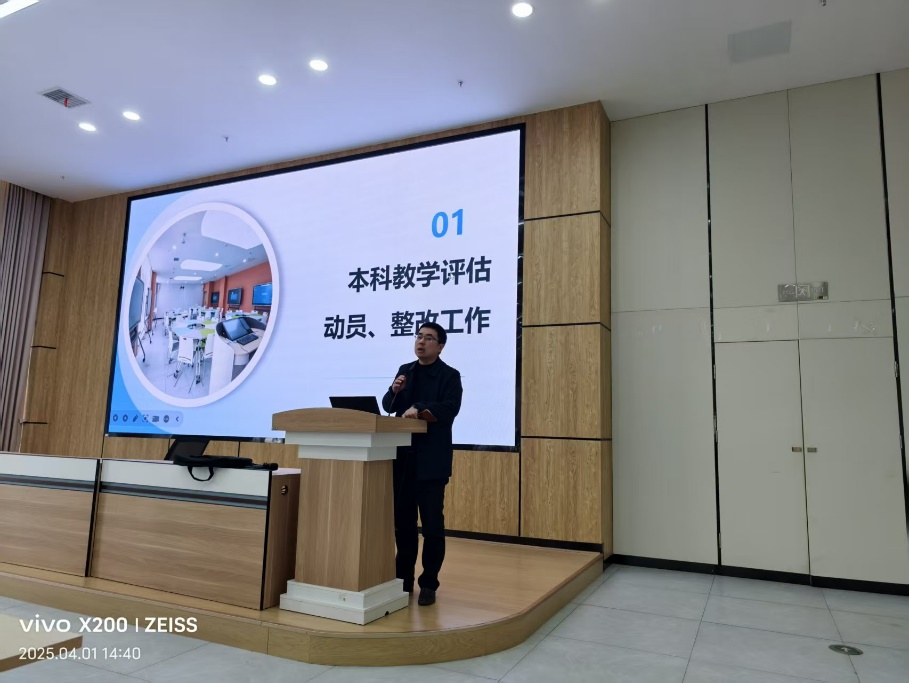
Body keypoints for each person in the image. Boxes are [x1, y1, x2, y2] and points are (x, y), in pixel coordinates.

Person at [381, 321, 462, 607]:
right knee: (403, 526)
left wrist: (420, 409)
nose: (421, 341)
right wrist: (393, 390)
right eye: (419, 336)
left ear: (440, 346)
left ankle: (428, 583)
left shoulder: (450, 375)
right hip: (403, 461)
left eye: (428, 338)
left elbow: (450, 408)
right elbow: (388, 406)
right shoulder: (406, 371)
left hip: (431, 463)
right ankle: (402, 579)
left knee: (432, 527)